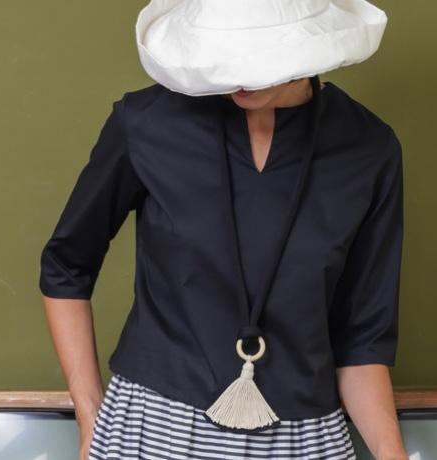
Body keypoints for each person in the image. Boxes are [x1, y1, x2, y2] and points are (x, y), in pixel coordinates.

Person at [39, 0, 410, 459]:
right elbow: (65, 268)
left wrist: (391, 452)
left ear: (306, 43)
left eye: (255, 57)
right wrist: (91, 418)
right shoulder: (147, 123)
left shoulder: (369, 149)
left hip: (303, 440)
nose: (236, 77)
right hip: (150, 432)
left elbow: (362, 341)